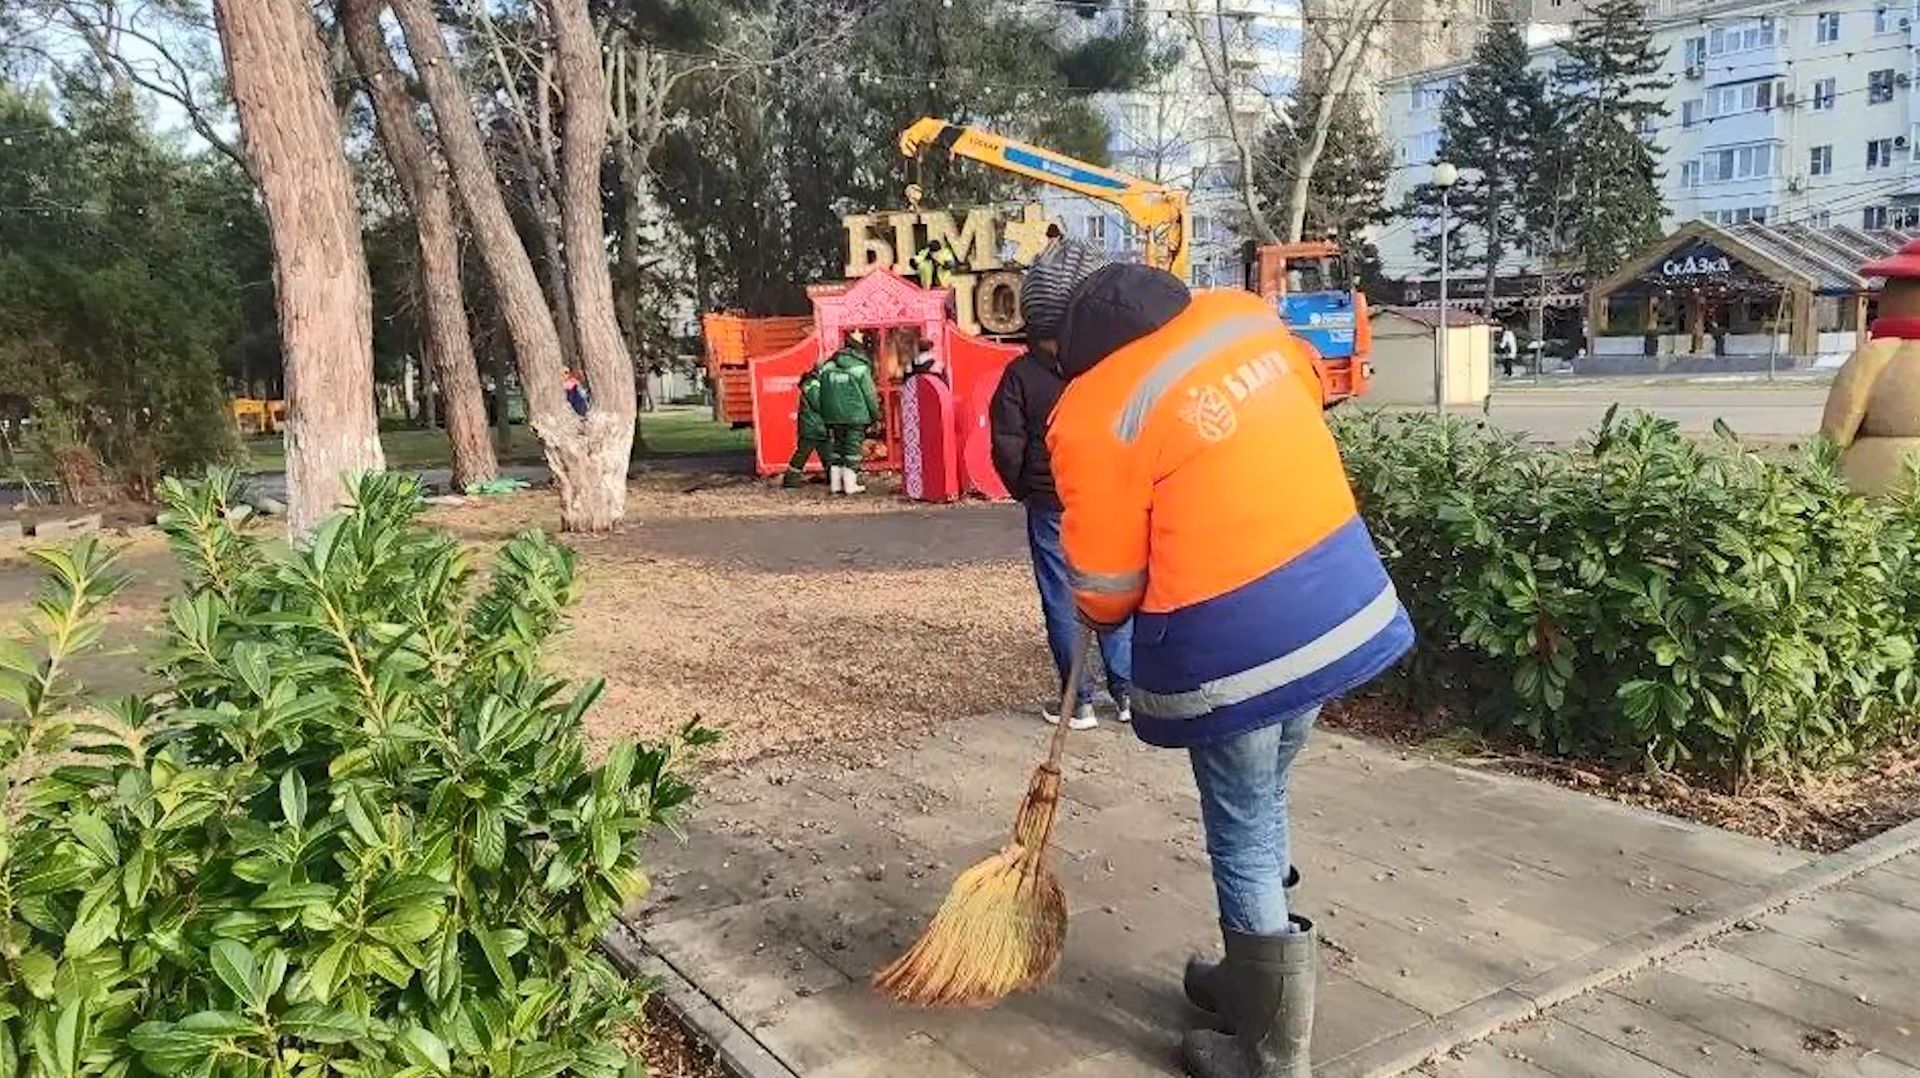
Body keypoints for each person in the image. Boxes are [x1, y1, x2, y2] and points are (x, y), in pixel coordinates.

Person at [1046, 259, 1414, 1078]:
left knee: (1242, 836)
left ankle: (1274, 1055)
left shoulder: (1097, 409)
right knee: (1265, 799)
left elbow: (1107, 585)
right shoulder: (1246, 324)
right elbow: (1290, 415)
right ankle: (1251, 978)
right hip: (1338, 608)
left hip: (1240, 648)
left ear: (1078, 350)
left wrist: (1097, 614)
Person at [990, 240, 1132, 730]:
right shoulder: (1109, 367)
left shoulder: (1020, 374)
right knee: (1115, 585)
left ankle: (1080, 700)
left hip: (1050, 501)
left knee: (1060, 595)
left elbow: (1007, 444)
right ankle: (1128, 690)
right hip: (1110, 496)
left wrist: (1023, 488)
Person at [818, 333, 881, 495]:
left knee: (837, 447)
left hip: (832, 415)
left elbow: (821, 393)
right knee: (852, 448)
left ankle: (835, 484)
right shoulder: (860, 368)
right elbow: (869, 395)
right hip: (855, 416)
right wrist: (876, 416)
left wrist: (825, 414)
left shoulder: (826, 367)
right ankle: (850, 485)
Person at [783, 361, 827, 488]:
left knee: (826, 455)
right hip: (813, 427)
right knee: (803, 454)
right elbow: (818, 404)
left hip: (815, 426)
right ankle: (790, 481)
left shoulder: (813, 383)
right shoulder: (813, 384)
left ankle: (833, 478)